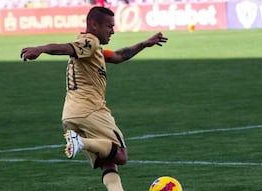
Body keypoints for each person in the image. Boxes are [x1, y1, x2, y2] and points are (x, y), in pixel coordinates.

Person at [20, 6, 167, 191]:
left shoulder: (92, 49)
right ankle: (79, 142)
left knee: (109, 162)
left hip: (71, 115)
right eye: (109, 26)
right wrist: (40, 49)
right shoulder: (89, 42)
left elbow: (118, 56)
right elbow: (67, 48)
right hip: (90, 110)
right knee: (120, 154)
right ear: (94, 25)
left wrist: (145, 43)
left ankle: (81, 145)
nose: (113, 31)